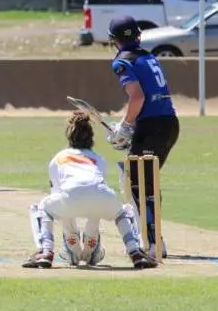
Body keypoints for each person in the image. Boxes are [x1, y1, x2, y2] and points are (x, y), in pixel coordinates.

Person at [21, 111, 157, 270]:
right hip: (102, 196)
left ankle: (46, 252)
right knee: (123, 211)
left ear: (69, 136)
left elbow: (58, 196)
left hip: (71, 197)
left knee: (42, 208)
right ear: (91, 137)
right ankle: (135, 252)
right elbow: (94, 198)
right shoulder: (98, 158)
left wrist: (71, 240)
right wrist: (90, 240)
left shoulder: (58, 158)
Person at [106, 15, 180, 258]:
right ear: (138, 35)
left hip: (153, 126)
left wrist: (125, 127)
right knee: (145, 182)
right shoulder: (149, 56)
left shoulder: (122, 62)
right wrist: (131, 128)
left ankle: (152, 242)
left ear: (113, 40)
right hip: (169, 123)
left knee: (137, 183)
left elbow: (138, 97)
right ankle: (154, 238)